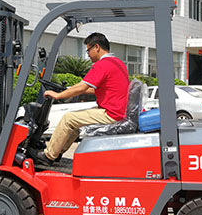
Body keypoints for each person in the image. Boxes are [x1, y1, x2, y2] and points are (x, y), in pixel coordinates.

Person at [31, 33, 129, 166]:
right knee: (75, 121)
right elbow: (93, 88)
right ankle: (57, 152)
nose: (88, 55)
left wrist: (58, 95)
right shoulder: (117, 63)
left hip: (112, 113)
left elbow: (82, 87)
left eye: (88, 50)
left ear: (97, 47)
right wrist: (67, 90)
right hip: (119, 111)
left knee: (68, 118)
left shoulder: (103, 64)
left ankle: (48, 156)